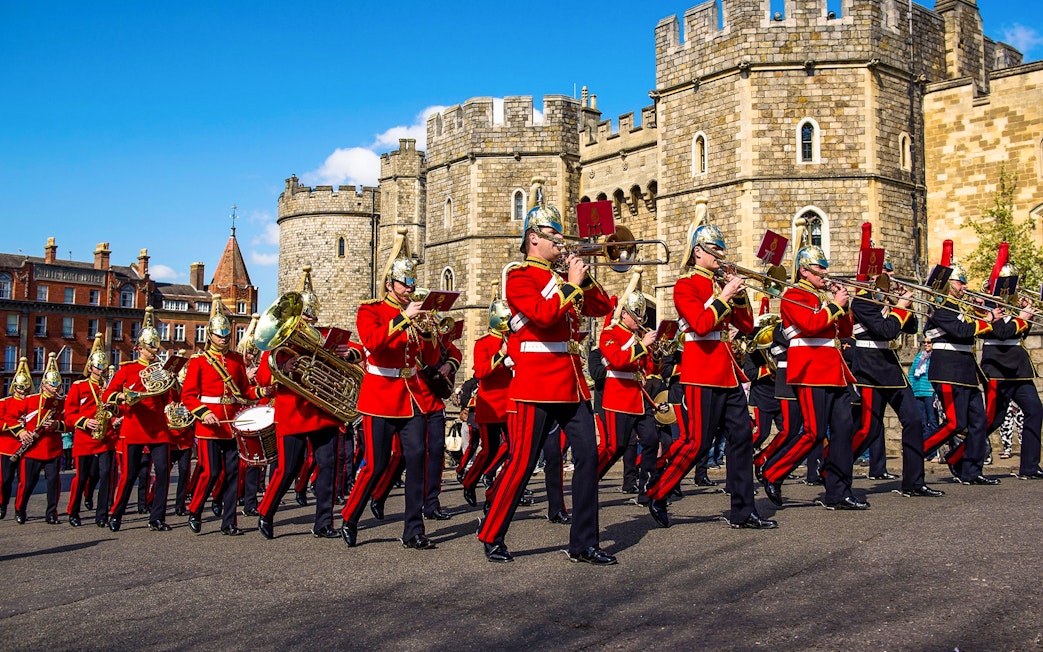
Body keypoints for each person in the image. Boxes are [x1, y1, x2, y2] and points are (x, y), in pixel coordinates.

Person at [477, 191, 616, 564]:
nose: (560, 239)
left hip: (572, 384)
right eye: (553, 232)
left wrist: (582, 279)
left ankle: (584, 542)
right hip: (536, 383)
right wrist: (569, 282)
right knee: (522, 463)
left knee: (588, 457)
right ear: (532, 238)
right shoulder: (520, 276)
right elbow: (541, 315)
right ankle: (492, 531)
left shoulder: (561, 278)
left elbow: (603, 308)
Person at [645, 201, 774, 530]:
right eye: (714, 249)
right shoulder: (685, 285)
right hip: (701, 373)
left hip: (728, 373)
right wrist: (724, 295)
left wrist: (739, 295)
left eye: (721, 248)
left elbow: (746, 326)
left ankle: (743, 512)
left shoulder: (721, 286)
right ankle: (658, 492)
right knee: (697, 443)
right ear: (697, 252)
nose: (720, 254)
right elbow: (701, 324)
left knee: (743, 437)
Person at [339, 228, 441, 550]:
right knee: (376, 464)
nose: (410, 289)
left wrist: (427, 332)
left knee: (417, 458)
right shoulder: (370, 310)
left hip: (412, 396)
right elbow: (373, 343)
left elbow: (432, 357)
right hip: (381, 395)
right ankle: (350, 516)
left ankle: (413, 530)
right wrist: (402, 320)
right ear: (389, 285)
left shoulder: (416, 312)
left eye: (412, 283)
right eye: (405, 284)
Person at [763, 234, 864, 510]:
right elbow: (810, 324)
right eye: (819, 268)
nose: (825, 272)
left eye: (824, 266)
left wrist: (843, 306)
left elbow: (843, 332)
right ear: (804, 270)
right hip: (809, 369)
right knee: (813, 432)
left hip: (834, 369)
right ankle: (772, 473)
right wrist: (834, 305)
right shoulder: (793, 294)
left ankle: (839, 491)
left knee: (843, 432)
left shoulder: (822, 295)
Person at [257, 268, 359, 539]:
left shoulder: (326, 334)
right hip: (292, 411)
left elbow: (357, 350)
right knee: (288, 468)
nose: (307, 322)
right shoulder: (279, 342)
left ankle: (324, 523)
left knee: (328, 467)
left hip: (324, 410)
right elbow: (262, 375)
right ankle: (266, 512)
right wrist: (285, 365)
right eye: (303, 317)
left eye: (311, 317)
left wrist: (348, 353)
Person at [847, 258, 943, 498]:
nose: (888, 278)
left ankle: (914, 481)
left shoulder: (884, 301)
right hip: (869, 368)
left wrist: (903, 305)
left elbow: (910, 329)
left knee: (913, 421)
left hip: (890, 367)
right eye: (883, 274)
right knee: (868, 430)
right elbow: (887, 330)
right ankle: (835, 469)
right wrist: (900, 305)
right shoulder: (861, 301)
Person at [181, 296, 269, 535]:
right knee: (210, 473)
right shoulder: (198, 361)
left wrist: (263, 390)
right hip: (210, 425)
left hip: (232, 423)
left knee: (232, 474)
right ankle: (195, 509)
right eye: (220, 336)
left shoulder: (235, 359)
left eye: (227, 336)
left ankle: (229, 522)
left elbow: (244, 391)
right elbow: (188, 396)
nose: (224, 340)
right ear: (210, 336)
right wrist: (204, 413)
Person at [922, 260, 1000, 485]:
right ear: (948, 283)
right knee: (955, 423)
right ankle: (918, 450)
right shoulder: (940, 306)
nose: (964, 287)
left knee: (978, 423)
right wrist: (985, 320)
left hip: (966, 371)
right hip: (947, 370)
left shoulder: (961, 307)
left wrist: (981, 310)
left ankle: (971, 470)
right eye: (960, 283)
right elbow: (960, 331)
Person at [104, 306, 178, 532]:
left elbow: (171, 399)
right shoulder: (127, 370)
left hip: (157, 427)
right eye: (149, 348)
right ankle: (115, 514)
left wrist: (173, 382)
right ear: (138, 348)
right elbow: (108, 395)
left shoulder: (161, 370)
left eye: (155, 347)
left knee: (164, 472)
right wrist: (125, 397)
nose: (153, 351)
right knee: (129, 474)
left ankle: (157, 517)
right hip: (135, 424)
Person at [596, 269, 662, 503]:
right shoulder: (610, 334)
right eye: (635, 316)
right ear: (623, 314)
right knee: (617, 447)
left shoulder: (636, 336)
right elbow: (618, 360)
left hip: (639, 396)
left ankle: (647, 488)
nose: (639, 321)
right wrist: (642, 344)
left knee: (652, 440)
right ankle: (590, 479)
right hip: (619, 397)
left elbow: (647, 367)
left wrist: (655, 354)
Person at [976, 264, 1041, 479]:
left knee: (1035, 410)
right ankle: (964, 456)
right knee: (994, 419)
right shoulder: (984, 306)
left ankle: (1029, 467)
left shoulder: (1012, 305)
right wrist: (1023, 316)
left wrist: (1027, 317)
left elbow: (1020, 334)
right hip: (997, 368)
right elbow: (1002, 332)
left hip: (1019, 369)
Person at [64, 333, 121, 527]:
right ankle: (73, 511)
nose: (101, 371)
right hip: (85, 437)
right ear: (90, 367)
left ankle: (102, 514)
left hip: (106, 438)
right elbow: (69, 415)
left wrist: (114, 419)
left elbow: (112, 409)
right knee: (82, 478)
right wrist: (84, 422)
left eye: (103, 367)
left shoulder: (108, 387)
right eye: (98, 367)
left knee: (106, 475)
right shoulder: (79, 387)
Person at [462, 301, 512, 510]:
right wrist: (501, 355)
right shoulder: (482, 343)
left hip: (510, 401)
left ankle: (491, 476)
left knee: (514, 446)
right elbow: (481, 372)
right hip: (490, 402)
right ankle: (469, 482)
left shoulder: (514, 339)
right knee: (488, 450)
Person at [11, 352, 68, 524]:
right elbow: (11, 418)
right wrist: (21, 432)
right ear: (43, 385)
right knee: (27, 483)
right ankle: (20, 509)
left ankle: (52, 513)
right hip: (32, 448)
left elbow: (69, 423)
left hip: (53, 447)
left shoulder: (61, 403)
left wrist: (56, 426)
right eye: (52, 385)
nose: (55, 389)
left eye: (57, 386)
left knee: (53, 484)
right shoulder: (30, 400)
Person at [0, 357, 33, 520]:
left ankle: (20, 509)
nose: (22, 390)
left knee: (24, 482)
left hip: (27, 447)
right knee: (4, 480)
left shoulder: (32, 402)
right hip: (7, 447)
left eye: (25, 387)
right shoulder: (5, 403)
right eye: (20, 387)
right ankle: (2, 504)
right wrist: (16, 428)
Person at [907, 338, 941, 458]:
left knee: (932, 421)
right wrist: (912, 387)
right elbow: (911, 373)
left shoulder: (936, 357)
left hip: (930, 392)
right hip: (918, 392)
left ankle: (936, 450)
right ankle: (927, 450)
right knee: (922, 422)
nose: (926, 345)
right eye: (924, 343)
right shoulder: (919, 357)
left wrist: (935, 391)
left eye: (929, 343)